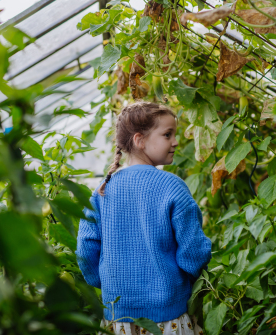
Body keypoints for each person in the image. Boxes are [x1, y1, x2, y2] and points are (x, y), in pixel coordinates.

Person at [77, 101, 212, 335]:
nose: (176, 142)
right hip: (168, 317)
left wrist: (105, 284)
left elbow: (85, 248)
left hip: (117, 316)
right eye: (167, 134)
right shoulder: (172, 187)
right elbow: (194, 251)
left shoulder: (102, 190)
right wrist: (186, 281)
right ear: (139, 140)